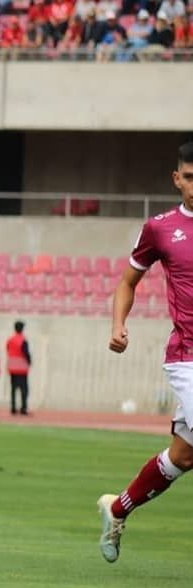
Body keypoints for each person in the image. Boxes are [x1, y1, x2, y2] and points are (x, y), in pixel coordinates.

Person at [97, 141, 193, 564]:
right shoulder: (159, 228)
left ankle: (117, 508)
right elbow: (127, 283)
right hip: (187, 357)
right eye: (189, 177)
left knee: (184, 455)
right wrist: (119, 325)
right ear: (177, 179)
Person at [6, 319, 31, 415]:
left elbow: (8, 349)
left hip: (12, 366)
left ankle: (13, 407)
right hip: (21, 367)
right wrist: (29, 362)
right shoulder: (23, 340)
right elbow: (26, 353)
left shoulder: (10, 339)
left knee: (13, 388)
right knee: (24, 389)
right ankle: (23, 408)